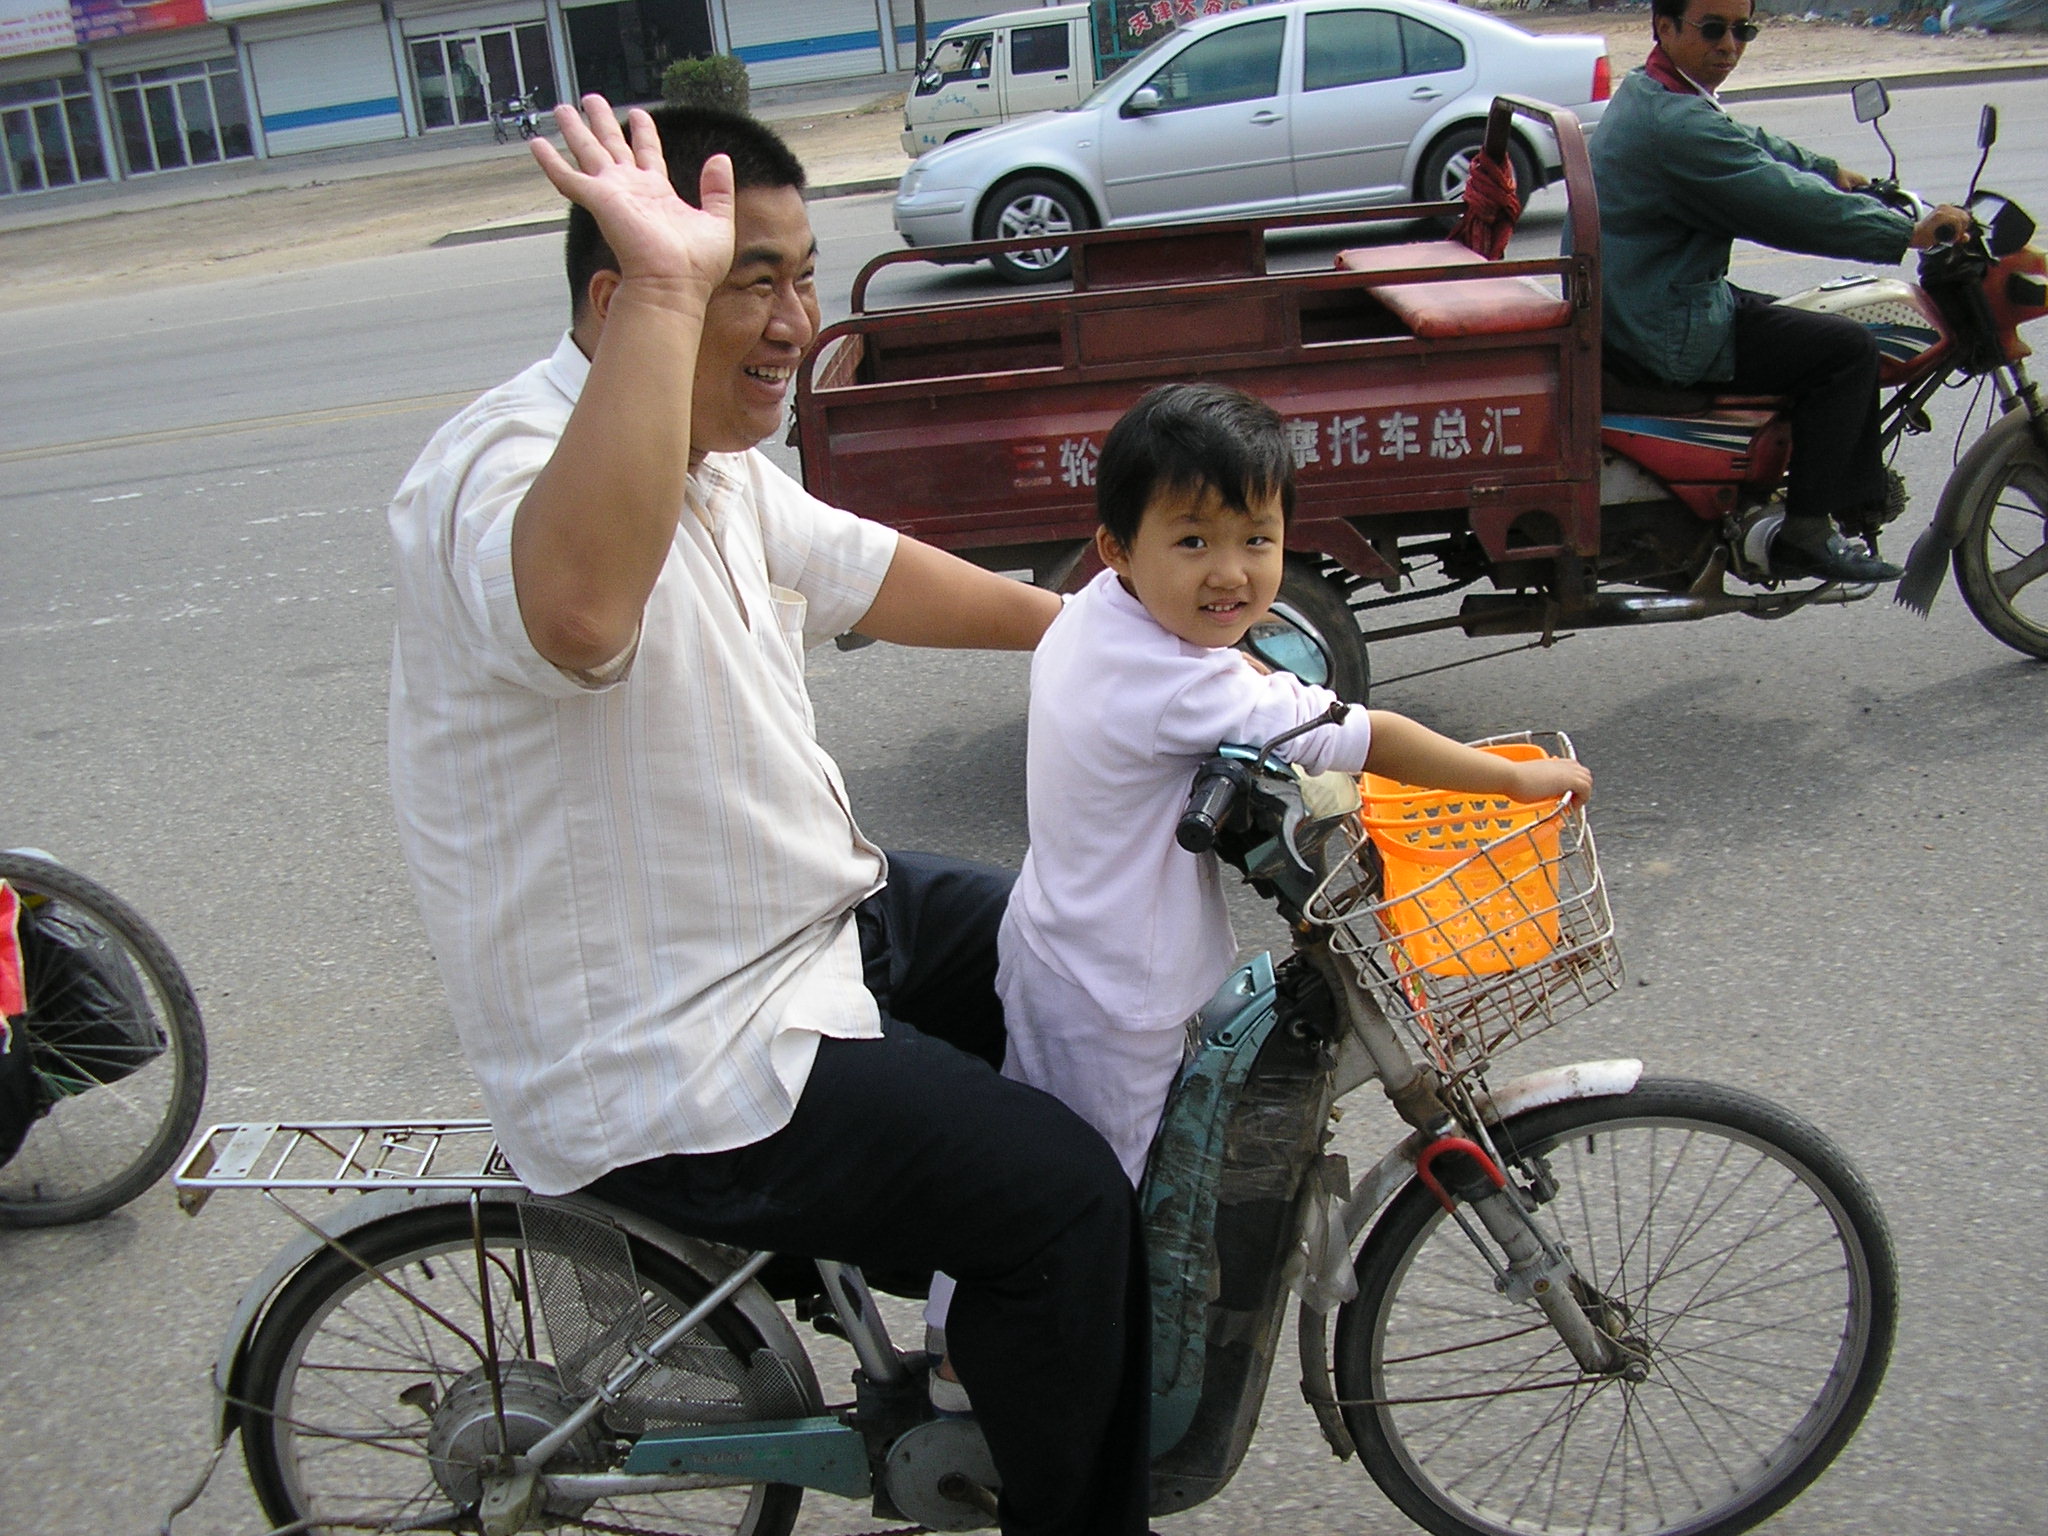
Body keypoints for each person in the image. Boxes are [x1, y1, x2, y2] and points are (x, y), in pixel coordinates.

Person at [384, 97, 1148, 1536]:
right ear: (625, 297)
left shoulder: (717, 460)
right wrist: (678, 290)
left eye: (806, 275)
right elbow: (579, 611)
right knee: (1056, 1199)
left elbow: (873, 571)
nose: (799, 318)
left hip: (800, 921)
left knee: (1082, 948)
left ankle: (996, 1359)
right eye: (754, 278)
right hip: (672, 1040)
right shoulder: (497, 468)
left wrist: (1114, 645)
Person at [994, 381, 1593, 1192]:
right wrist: (1515, 780)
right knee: (1099, 1206)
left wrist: (1231, 650)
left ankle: (979, 1314)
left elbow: (1205, 673)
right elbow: (1369, 734)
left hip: (1053, 946)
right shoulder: (1189, 690)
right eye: (1195, 542)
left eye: (1257, 538)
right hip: (1115, 998)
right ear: (1120, 548)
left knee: (1042, 1175)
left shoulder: (1092, 612)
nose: (1230, 573)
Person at [1591, 0, 1969, 584]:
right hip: (1663, 327)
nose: (1730, 45)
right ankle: (1808, 531)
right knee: (1846, 349)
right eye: (1712, 29)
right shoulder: (1677, 126)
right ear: (1664, 28)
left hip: (1647, 301)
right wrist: (1904, 231)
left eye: (1742, 30)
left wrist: (1828, 168)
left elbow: (1747, 144)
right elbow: (1780, 202)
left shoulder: (1654, 91)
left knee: (1797, 317)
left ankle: (1798, 486)